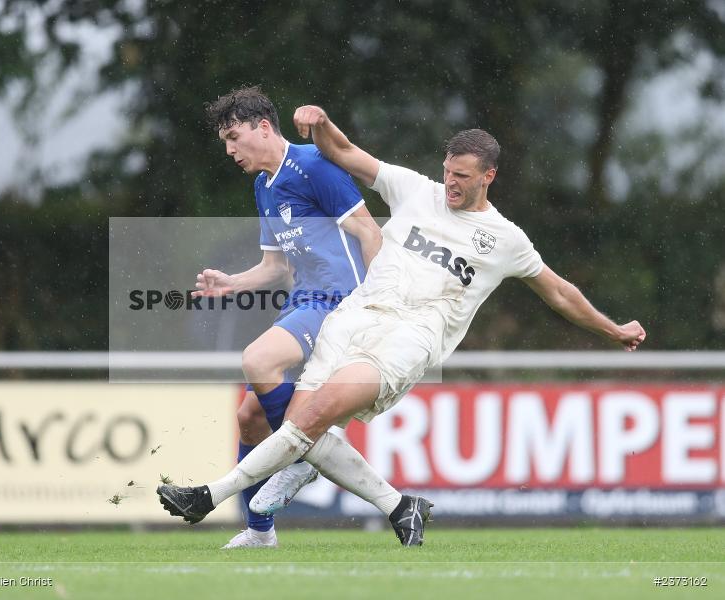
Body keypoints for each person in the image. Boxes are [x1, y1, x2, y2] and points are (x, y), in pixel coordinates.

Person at [158, 104, 647, 547]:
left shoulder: (506, 239)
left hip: (410, 337)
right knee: (297, 424)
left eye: (462, 177)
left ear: (489, 176)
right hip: (357, 314)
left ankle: (208, 495)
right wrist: (322, 124)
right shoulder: (415, 188)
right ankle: (398, 505)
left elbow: (559, 291)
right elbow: (346, 152)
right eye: (447, 172)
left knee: (312, 415)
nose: (450, 183)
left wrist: (612, 329)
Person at [195, 89, 382, 548]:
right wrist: (231, 284)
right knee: (249, 416)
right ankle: (260, 533)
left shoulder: (314, 166)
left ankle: (302, 454)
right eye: (224, 142)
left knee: (258, 360)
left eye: (234, 137)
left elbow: (369, 231)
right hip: (303, 302)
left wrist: (378, 305)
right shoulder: (263, 186)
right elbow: (275, 267)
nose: (229, 150)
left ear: (263, 126)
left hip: (339, 302)